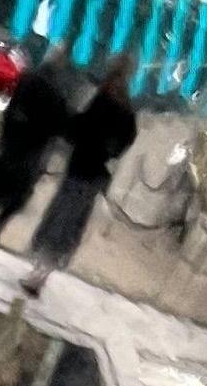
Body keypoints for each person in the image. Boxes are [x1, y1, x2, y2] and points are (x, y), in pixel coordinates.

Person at [23, 53, 138, 286]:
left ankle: (41, 270)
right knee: (71, 220)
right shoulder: (124, 106)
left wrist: (68, 125)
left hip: (83, 167)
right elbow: (124, 137)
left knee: (63, 217)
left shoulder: (106, 100)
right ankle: (44, 269)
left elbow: (86, 127)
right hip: (93, 170)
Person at [0, 44, 74, 261]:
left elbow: (13, 108)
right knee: (18, 195)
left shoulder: (29, 78)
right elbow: (60, 125)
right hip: (32, 150)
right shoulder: (57, 92)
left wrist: (6, 136)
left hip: (15, 144)